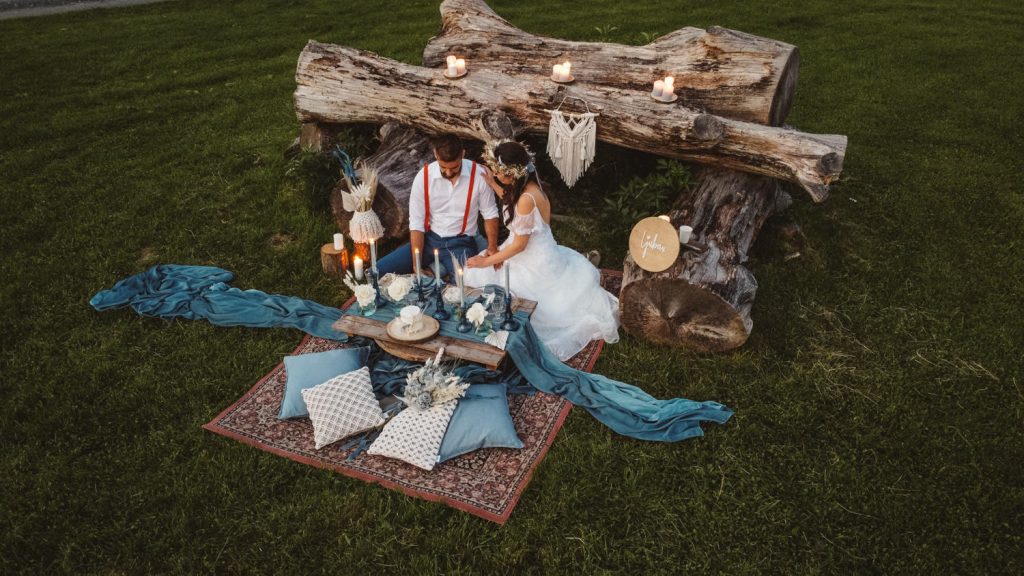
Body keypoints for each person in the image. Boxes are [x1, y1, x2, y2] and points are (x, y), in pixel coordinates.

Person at [464, 141, 619, 361]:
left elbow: (520, 245)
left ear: (512, 174)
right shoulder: (526, 187)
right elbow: (509, 199)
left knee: (485, 275)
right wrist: (491, 183)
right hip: (526, 248)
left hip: (532, 258)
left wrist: (487, 261)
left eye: (498, 172)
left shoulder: (526, 199)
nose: (496, 174)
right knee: (476, 275)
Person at [375, 133, 500, 278]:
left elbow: (490, 214)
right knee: (378, 270)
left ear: (462, 154)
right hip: (429, 240)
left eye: (454, 167)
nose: (448, 172)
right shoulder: (423, 177)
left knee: (464, 284)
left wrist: (492, 247)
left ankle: (438, 269)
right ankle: (437, 268)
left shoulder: (479, 175)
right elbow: (416, 223)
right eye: (443, 167)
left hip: (461, 243)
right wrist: (416, 264)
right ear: (435, 154)